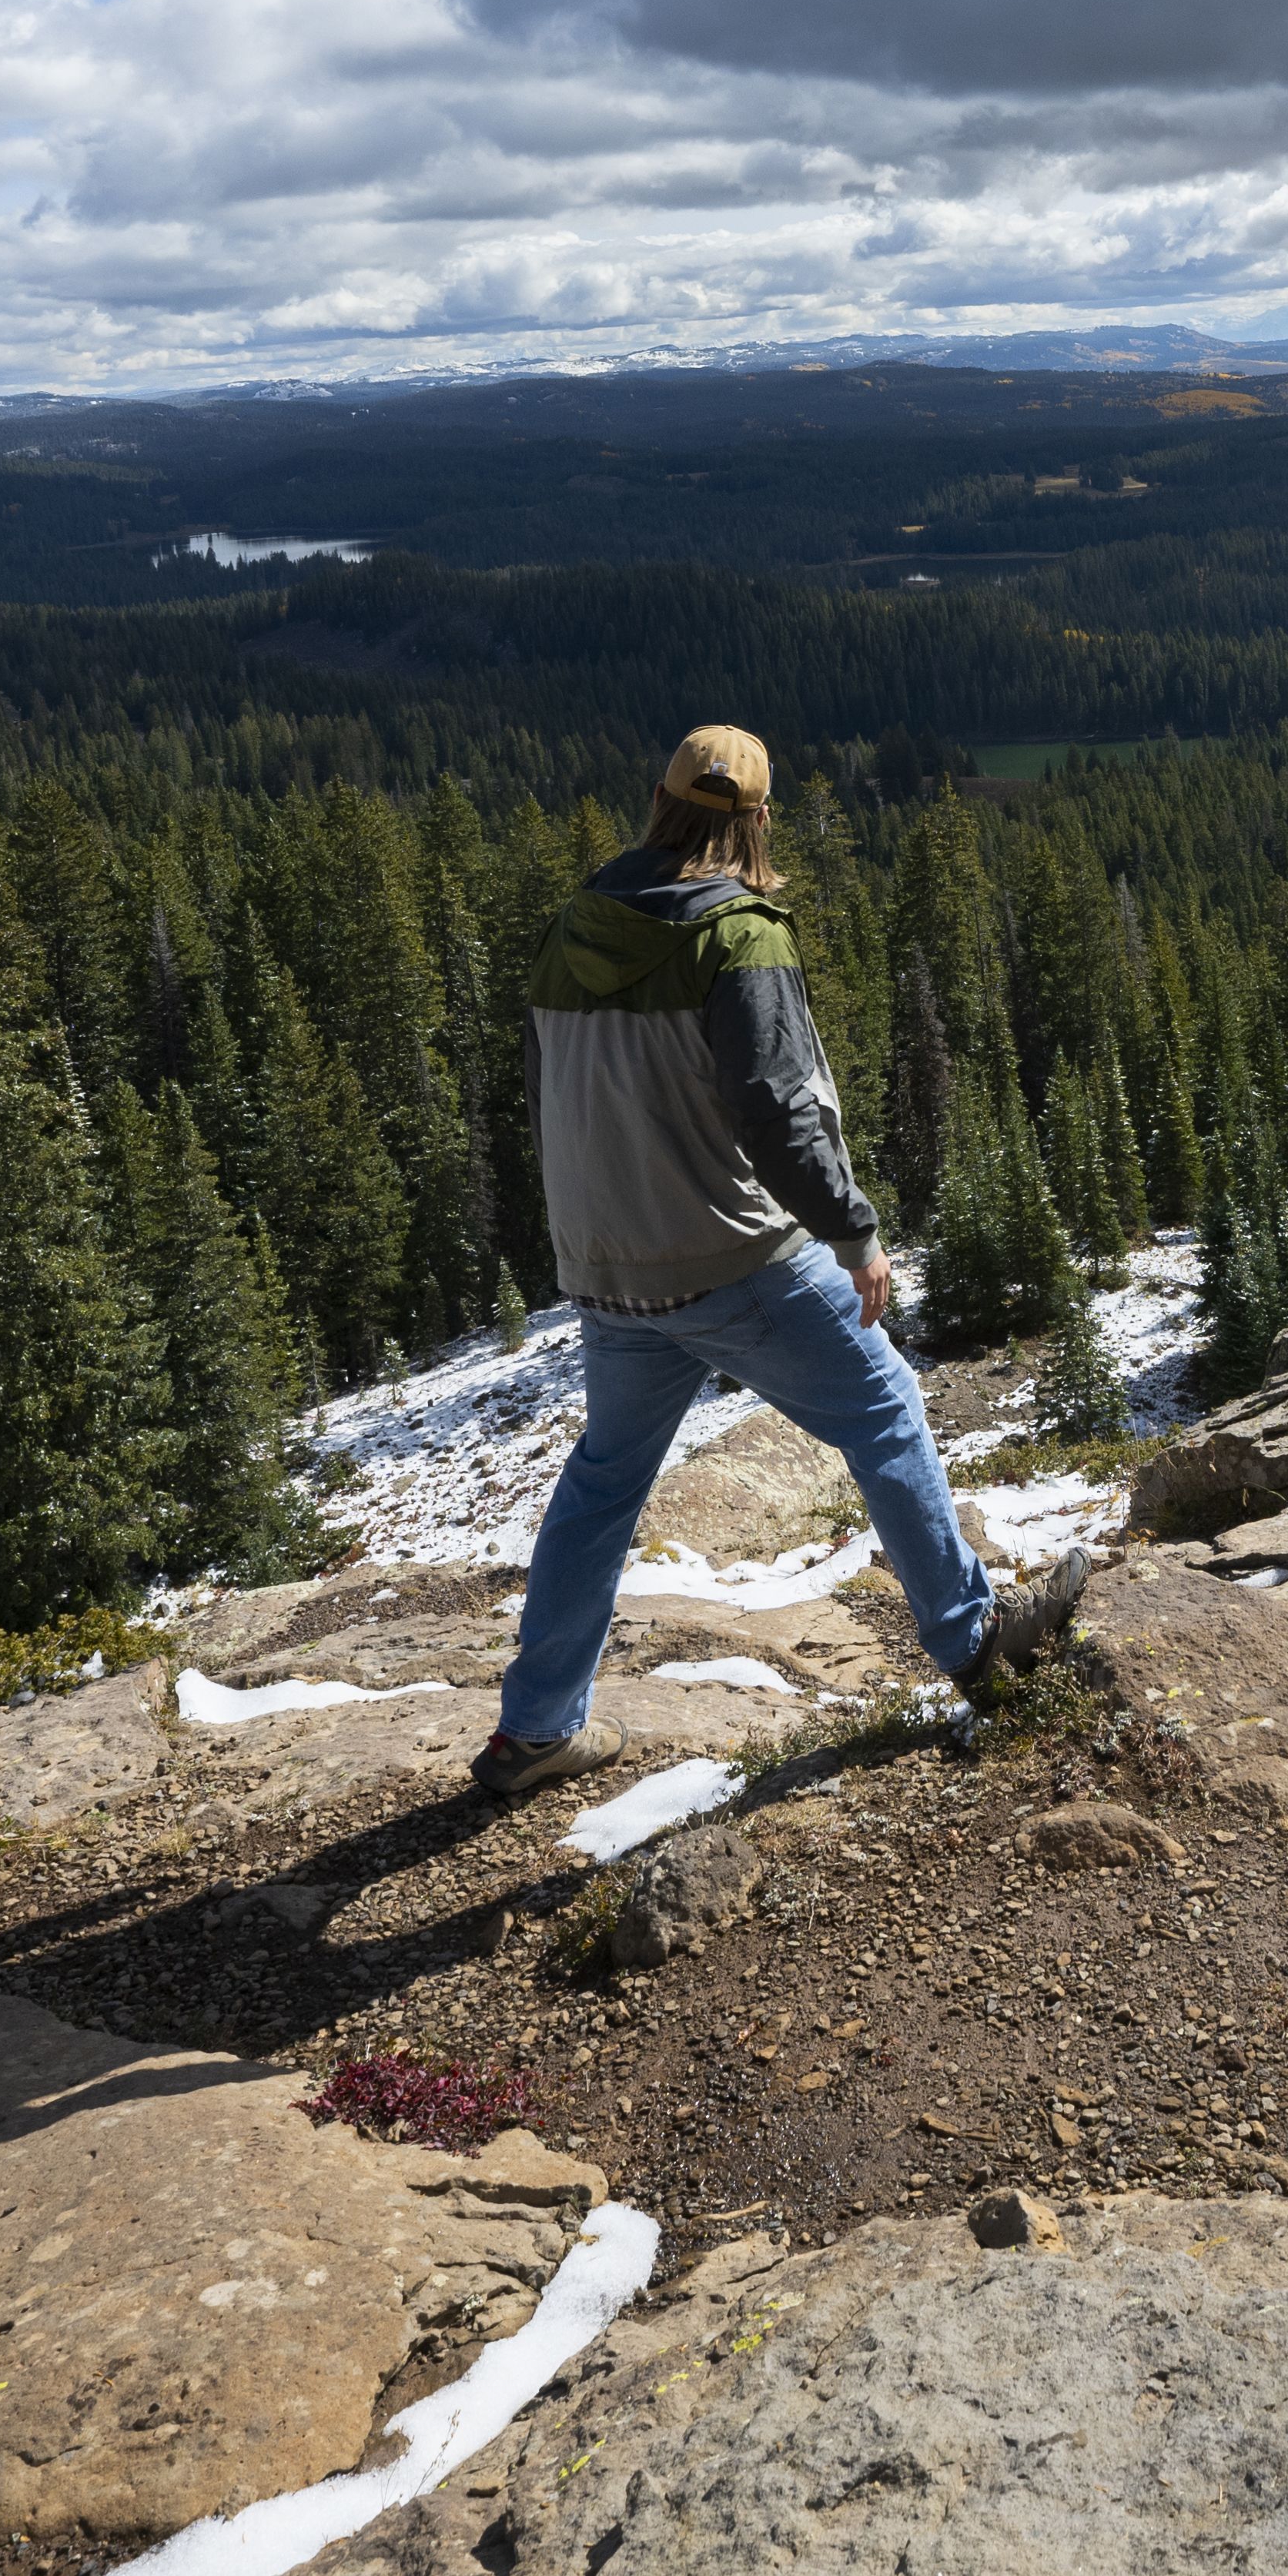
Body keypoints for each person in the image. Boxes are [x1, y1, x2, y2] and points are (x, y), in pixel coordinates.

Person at [473, 725, 1076, 1797]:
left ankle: (534, 1728)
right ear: (753, 820)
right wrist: (853, 1231)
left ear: (658, 803)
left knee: (605, 1480)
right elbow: (778, 1109)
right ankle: (977, 1645)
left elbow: (545, 1086)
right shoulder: (736, 934)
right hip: (728, 1249)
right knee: (885, 1405)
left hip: (607, 1264)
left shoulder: (577, 923)